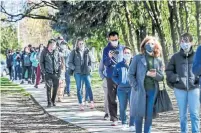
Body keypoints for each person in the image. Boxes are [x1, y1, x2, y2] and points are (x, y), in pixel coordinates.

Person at [166, 33, 200, 133]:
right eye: (182, 41)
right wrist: (176, 78)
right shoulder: (175, 57)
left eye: (187, 41)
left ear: (191, 43)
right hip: (180, 89)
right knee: (182, 115)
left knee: (194, 114)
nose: (184, 43)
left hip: (194, 89)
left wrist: (197, 78)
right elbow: (168, 71)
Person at [128, 36, 164, 133]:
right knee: (139, 115)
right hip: (140, 91)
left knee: (149, 117)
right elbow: (130, 74)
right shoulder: (137, 58)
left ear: (156, 45)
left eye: (152, 43)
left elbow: (162, 77)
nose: (150, 45)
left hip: (152, 91)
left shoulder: (158, 60)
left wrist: (155, 75)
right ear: (144, 45)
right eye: (148, 43)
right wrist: (136, 86)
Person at [102, 31, 124, 126]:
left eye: (116, 39)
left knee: (123, 97)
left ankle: (123, 117)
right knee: (112, 97)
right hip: (110, 76)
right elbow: (105, 63)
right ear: (109, 39)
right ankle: (114, 117)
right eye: (112, 40)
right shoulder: (106, 49)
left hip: (121, 76)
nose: (115, 41)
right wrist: (109, 57)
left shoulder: (122, 48)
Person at [112, 46, 135, 131]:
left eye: (128, 53)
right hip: (121, 89)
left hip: (132, 89)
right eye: (125, 53)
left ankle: (132, 124)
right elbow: (114, 76)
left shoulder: (134, 64)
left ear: (131, 54)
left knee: (133, 106)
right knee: (122, 107)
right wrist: (119, 82)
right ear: (123, 54)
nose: (127, 54)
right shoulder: (118, 65)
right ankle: (124, 122)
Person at [68, 38, 94, 111]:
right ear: (77, 44)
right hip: (78, 73)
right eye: (80, 43)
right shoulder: (74, 52)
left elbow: (91, 61)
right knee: (79, 88)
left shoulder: (87, 51)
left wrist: (89, 67)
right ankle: (80, 103)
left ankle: (91, 102)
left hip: (86, 72)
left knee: (89, 86)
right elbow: (69, 62)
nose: (81, 45)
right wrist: (74, 68)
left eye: (82, 43)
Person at [40, 39, 61, 107]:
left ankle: (53, 100)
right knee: (48, 88)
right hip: (48, 73)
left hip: (56, 73)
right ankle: (49, 102)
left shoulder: (57, 52)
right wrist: (44, 71)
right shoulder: (44, 52)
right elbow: (41, 62)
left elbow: (59, 62)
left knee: (55, 87)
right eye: (52, 45)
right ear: (49, 45)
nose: (53, 46)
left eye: (54, 45)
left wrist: (59, 72)